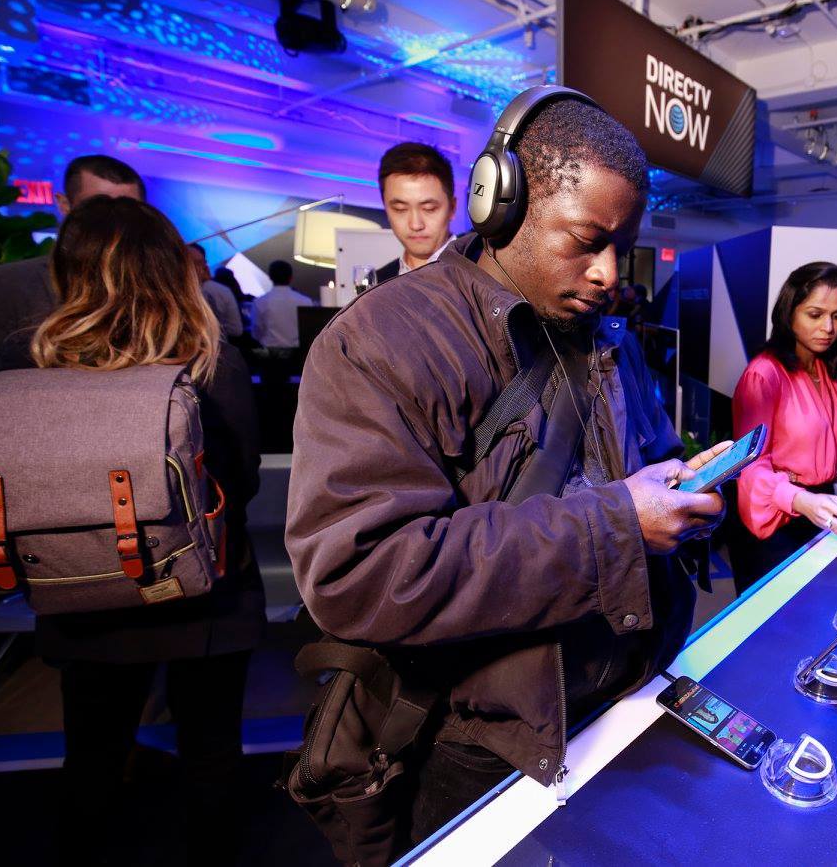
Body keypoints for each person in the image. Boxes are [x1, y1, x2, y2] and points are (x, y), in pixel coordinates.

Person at [286, 89, 727, 849]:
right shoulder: (382, 342)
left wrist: (680, 492)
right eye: (586, 240)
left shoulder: (606, 335)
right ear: (503, 203)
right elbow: (361, 574)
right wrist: (620, 523)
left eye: (621, 246)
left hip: (619, 699)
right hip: (478, 744)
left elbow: (644, 463)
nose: (607, 273)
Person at [0, 196, 263, 865]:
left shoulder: (22, 359)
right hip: (203, 593)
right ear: (171, 268)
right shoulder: (209, 362)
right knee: (211, 758)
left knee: (91, 756)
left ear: (69, 270)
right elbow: (241, 482)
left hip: (79, 590)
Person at [729, 262, 837, 593]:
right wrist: (800, 500)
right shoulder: (764, 374)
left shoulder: (822, 368)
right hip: (777, 519)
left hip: (819, 508)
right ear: (789, 314)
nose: (828, 327)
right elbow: (749, 467)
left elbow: (817, 449)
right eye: (815, 315)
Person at [0, 154, 144, 382]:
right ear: (64, 204)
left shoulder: (155, 283)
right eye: (96, 206)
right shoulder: (11, 282)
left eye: (127, 208)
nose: (112, 218)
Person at [373, 142, 458, 283]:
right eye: (400, 209)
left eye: (429, 209)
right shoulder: (377, 282)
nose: (416, 225)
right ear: (386, 209)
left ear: (452, 208)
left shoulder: (484, 271)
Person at [252, 259, 315, 350]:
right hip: (299, 353)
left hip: (270, 354)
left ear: (270, 277)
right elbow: (309, 330)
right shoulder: (305, 301)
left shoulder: (259, 302)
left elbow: (256, 332)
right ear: (291, 277)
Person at [189, 242, 245, 340]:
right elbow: (236, 329)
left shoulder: (214, 290)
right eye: (196, 263)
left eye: (201, 263)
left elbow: (236, 329)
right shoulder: (176, 296)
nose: (204, 267)